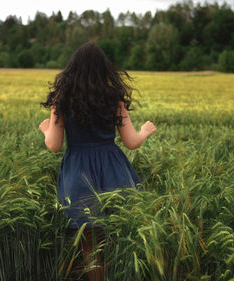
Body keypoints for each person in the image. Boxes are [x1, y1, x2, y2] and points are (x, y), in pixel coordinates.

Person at [39, 42, 156, 281]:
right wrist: (145, 130)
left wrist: (45, 129)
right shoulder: (114, 100)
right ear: (105, 70)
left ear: (72, 70)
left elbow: (53, 145)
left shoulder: (61, 101)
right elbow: (131, 142)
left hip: (79, 174)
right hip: (113, 170)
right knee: (116, 236)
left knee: (90, 244)